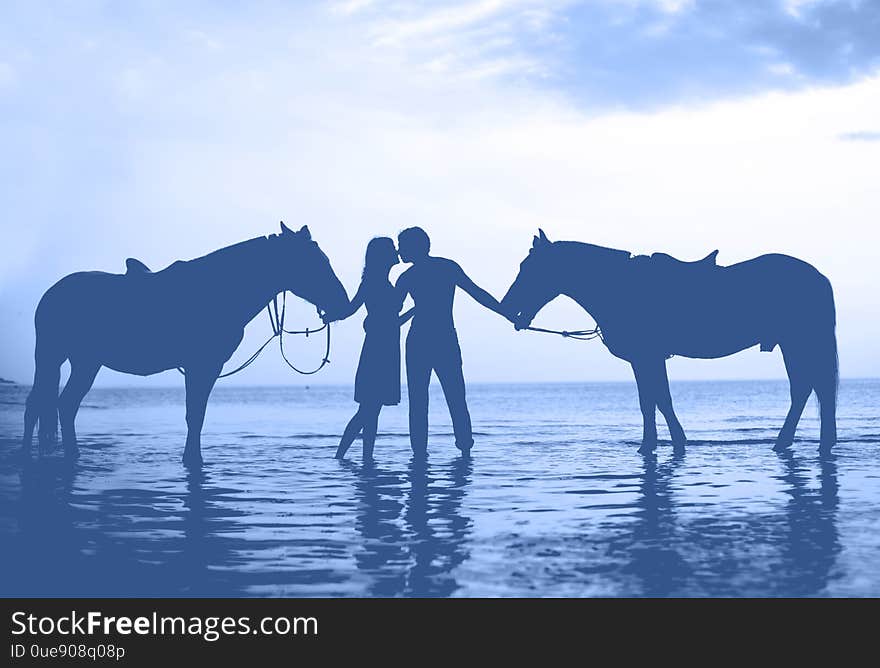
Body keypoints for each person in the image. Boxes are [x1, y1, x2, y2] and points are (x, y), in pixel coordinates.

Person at [395, 226, 509, 456]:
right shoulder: (446, 267)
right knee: (456, 397)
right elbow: (478, 293)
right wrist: (506, 312)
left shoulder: (407, 277)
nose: (399, 251)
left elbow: (391, 315)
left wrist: (413, 311)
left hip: (420, 341)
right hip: (444, 339)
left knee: (419, 402)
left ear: (414, 247)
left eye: (402, 246)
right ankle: (464, 451)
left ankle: (420, 456)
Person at [324, 237, 414, 460]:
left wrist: (414, 312)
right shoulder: (373, 282)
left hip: (385, 347)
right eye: (392, 249)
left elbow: (387, 320)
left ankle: (365, 459)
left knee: (371, 411)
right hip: (379, 350)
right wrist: (331, 315)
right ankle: (342, 456)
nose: (397, 251)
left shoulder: (380, 282)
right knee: (368, 410)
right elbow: (351, 309)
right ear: (383, 256)